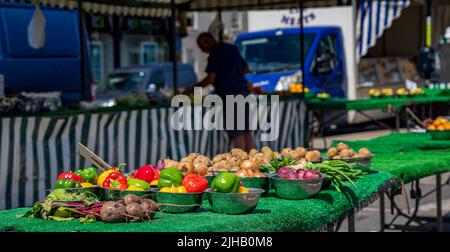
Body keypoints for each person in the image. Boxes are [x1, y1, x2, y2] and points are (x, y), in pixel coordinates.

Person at [184, 32, 254, 151]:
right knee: (246, 130)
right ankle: (252, 160)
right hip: (243, 92)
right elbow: (246, 70)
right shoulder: (232, 48)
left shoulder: (215, 53)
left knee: (237, 131)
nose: (202, 50)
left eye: (202, 46)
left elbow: (210, 79)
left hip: (230, 94)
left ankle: (243, 161)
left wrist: (192, 88)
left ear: (209, 40)